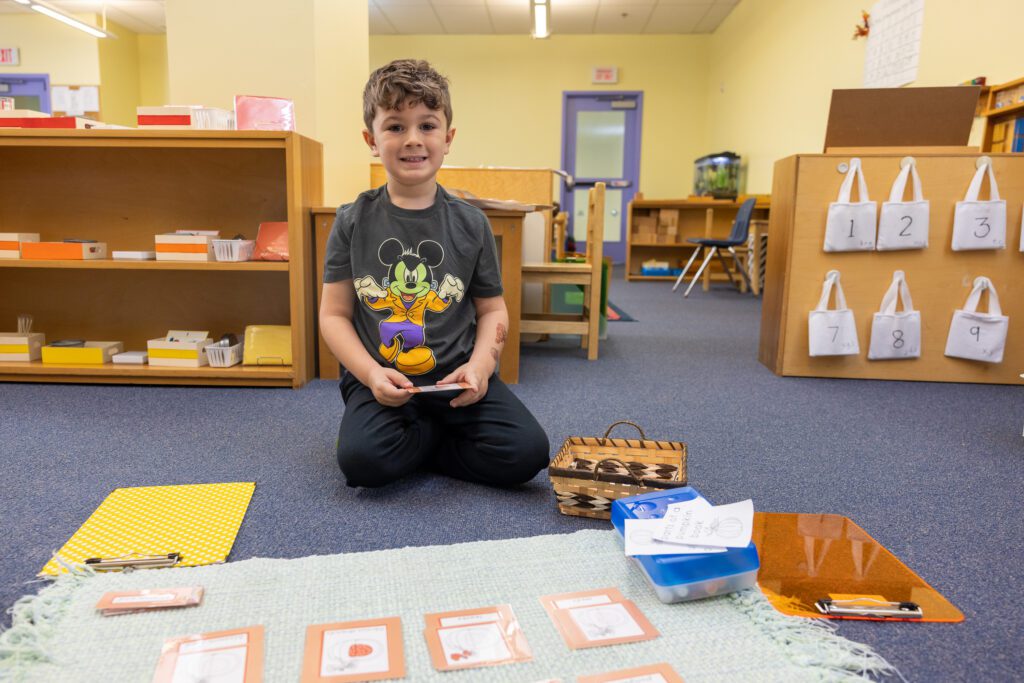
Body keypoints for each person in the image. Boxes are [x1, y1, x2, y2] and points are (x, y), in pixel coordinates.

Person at [319, 59, 550, 489]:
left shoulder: (471, 223)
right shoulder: (352, 220)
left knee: (528, 454)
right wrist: (369, 375)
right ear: (371, 139)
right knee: (361, 463)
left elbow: (492, 310)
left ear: (448, 138)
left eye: (427, 125)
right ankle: (429, 438)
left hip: (458, 378)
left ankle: (424, 444)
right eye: (395, 127)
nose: (412, 140)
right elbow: (333, 315)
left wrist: (481, 366)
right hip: (382, 381)